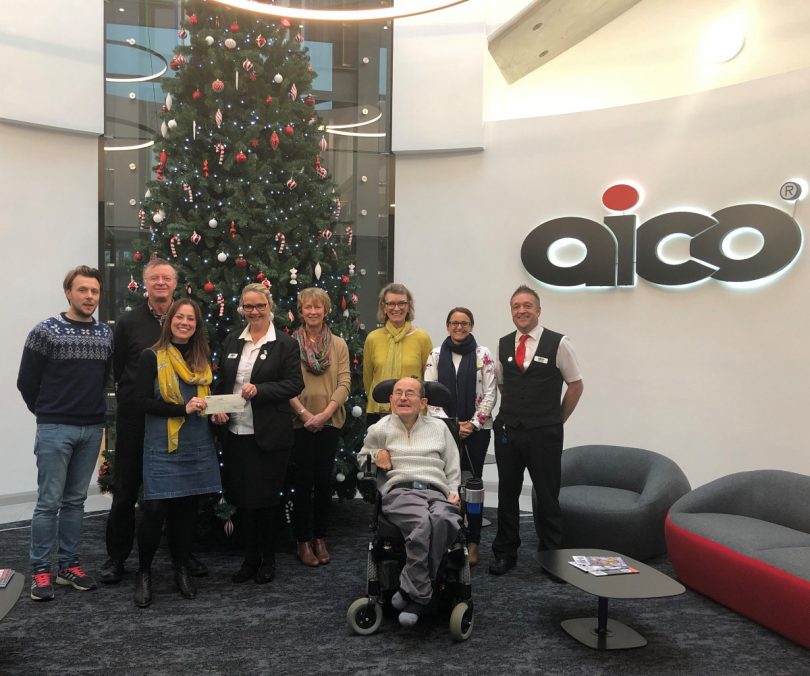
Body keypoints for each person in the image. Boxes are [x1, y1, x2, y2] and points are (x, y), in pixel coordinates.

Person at [101, 257, 207, 583]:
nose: (161, 283)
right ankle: (117, 558)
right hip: (136, 420)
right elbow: (119, 368)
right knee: (126, 489)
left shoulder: (185, 320)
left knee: (177, 489)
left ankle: (181, 555)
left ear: (176, 284)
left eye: (166, 278)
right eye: (154, 278)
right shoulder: (128, 322)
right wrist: (133, 399)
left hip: (175, 423)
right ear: (145, 283)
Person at [17, 265, 113, 601]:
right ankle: (41, 570)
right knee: (48, 503)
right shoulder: (45, 331)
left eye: (95, 291)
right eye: (82, 290)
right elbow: (26, 382)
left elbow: (104, 379)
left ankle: (69, 566)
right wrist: (48, 414)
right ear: (68, 292)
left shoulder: (105, 334)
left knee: (75, 502)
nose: (89, 296)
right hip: (55, 428)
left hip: (92, 428)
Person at [212, 284, 304, 585]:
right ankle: (249, 558)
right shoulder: (232, 340)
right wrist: (217, 408)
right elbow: (222, 382)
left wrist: (261, 389)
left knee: (266, 500)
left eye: (260, 306)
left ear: (270, 306)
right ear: (242, 309)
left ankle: (268, 559)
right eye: (248, 306)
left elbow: (294, 384)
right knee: (242, 499)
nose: (254, 311)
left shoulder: (285, 344)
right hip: (236, 432)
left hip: (269, 436)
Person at [489, 285, 583, 576]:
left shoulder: (559, 342)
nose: (522, 311)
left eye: (527, 305)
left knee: (547, 495)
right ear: (511, 312)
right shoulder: (504, 344)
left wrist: (557, 419)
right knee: (507, 493)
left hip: (545, 433)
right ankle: (505, 552)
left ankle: (552, 557)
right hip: (509, 431)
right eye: (516, 306)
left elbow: (576, 385)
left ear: (538, 310)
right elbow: (503, 384)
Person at [132, 299, 221, 607]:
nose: (185, 323)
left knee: (187, 511)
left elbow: (206, 399)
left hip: (196, 442)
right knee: (154, 511)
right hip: (162, 445)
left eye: (191, 319)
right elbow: (141, 402)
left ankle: (181, 569)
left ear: (197, 325)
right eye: (180, 317)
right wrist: (182, 408)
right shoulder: (151, 357)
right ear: (170, 321)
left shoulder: (202, 360)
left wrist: (217, 411)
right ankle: (144, 573)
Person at [358, 377, 462, 628]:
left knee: (445, 519)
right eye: (398, 393)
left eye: (410, 393)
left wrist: (453, 490)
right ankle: (420, 596)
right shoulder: (380, 428)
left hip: (436, 491)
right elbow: (362, 459)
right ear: (391, 399)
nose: (403, 398)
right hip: (401, 491)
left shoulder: (440, 428)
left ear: (423, 402)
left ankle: (410, 590)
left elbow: (452, 464)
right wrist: (376, 454)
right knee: (422, 522)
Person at [424, 307, 497, 567]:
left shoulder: (483, 355)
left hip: (477, 432)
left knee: (473, 487)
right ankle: (450, 537)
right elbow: (429, 395)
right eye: (454, 323)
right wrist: (452, 426)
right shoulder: (435, 355)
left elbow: (490, 393)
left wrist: (473, 424)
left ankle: (473, 541)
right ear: (447, 326)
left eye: (464, 323)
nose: (459, 327)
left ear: (471, 326)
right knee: (447, 484)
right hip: (443, 430)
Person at [288, 288, 351, 567]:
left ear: (326, 310)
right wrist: (304, 414)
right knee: (302, 483)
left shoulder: (338, 344)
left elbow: (345, 383)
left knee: (324, 482)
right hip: (298, 421)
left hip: (330, 421)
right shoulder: (289, 344)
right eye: (308, 307)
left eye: (318, 307)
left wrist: (324, 415)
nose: (313, 312)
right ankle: (302, 540)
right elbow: (285, 383)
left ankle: (320, 537)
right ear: (301, 311)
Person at [362, 283, 432, 425]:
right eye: (391, 304)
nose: (396, 308)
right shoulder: (373, 338)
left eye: (401, 303)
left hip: (412, 414)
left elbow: (428, 378)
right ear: (384, 307)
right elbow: (368, 378)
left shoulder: (422, 338)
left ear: (408, 306)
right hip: (378, 412)